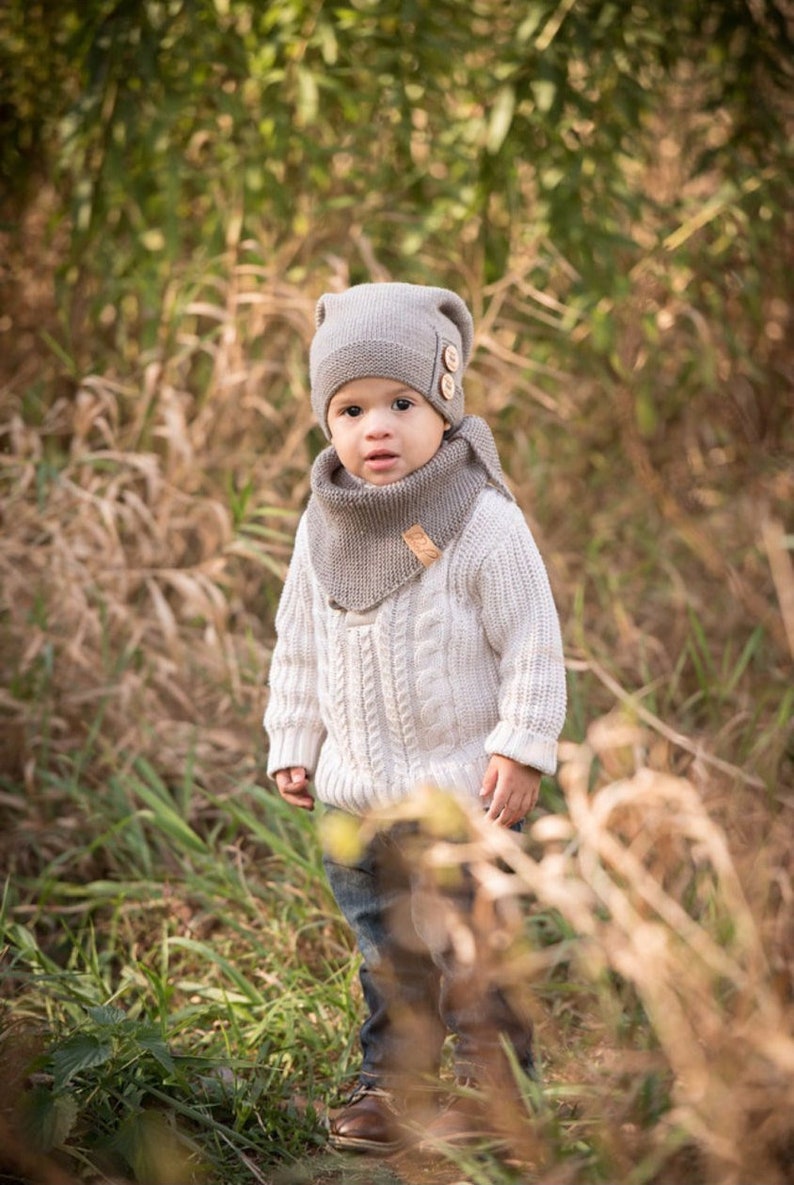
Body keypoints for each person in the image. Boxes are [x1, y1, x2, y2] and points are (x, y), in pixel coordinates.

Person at [264, 282, 566, 1154]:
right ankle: (391, 1090)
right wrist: (295, 737)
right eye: (352, 409)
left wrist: (521, 743)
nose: (378, 428)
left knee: (473, 949)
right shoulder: (322, 522)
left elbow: (533, 643)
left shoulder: (481, 519)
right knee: (386, 956)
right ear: (328, 421)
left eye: (402, 402)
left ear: (445, 402)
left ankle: (497, 1094)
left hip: (461, 792)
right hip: (357, 797)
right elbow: (300, 639)